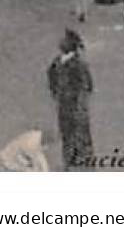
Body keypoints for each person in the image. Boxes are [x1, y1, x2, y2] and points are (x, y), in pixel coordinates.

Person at [46, 30, 92, 170]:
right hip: (63, 104)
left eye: (64, 41)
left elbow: (87, 85)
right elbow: (51, 77)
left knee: (80, 135)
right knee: (66, 133)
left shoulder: (78, 64)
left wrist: (80, 101)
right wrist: (56, 93)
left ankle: (83, 163)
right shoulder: (57, 62)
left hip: (76, 106)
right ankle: (69, 162)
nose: (61, 43)